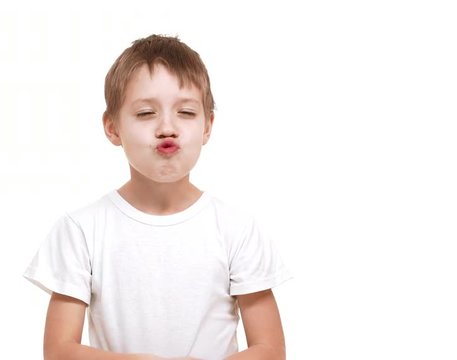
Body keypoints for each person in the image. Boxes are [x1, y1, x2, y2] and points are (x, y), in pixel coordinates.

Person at [24, 34, 291, 360]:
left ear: (208, 126)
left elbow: (269, 349)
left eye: (187, 113)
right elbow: (59, 350)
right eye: (146, 113)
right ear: (112, 128)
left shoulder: (237, 229)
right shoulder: (81, 230)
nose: (167, 127)